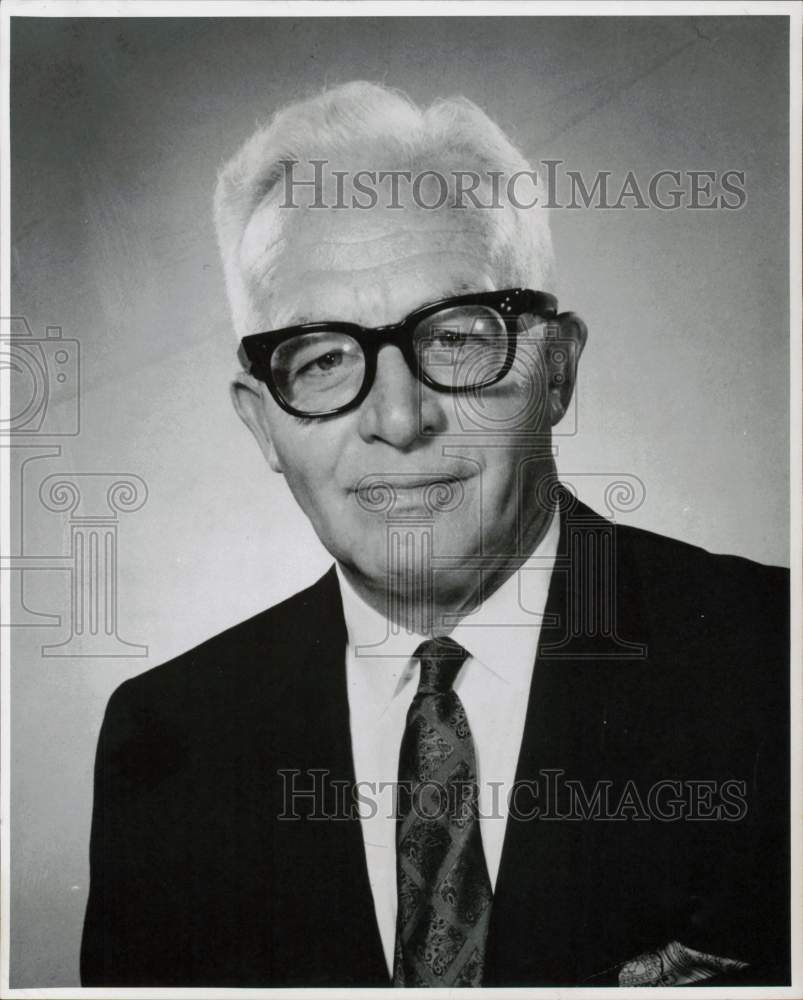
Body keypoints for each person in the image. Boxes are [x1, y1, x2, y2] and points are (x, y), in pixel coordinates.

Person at [80, 82, 789, 988]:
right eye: (324, 358)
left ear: (556, 369)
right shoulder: (167, 743)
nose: (399, 418)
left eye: (454, 339)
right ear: (261, 424)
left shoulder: (772, 658)